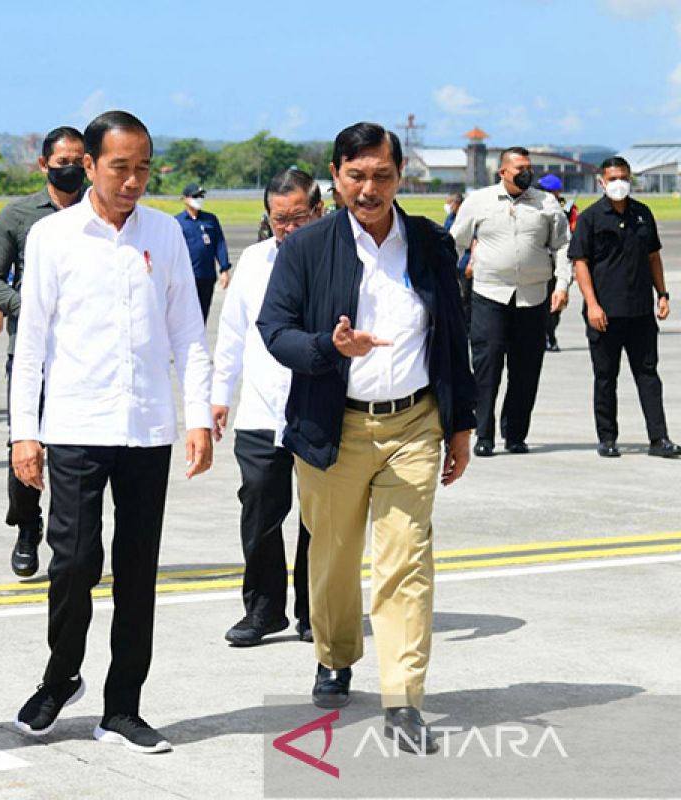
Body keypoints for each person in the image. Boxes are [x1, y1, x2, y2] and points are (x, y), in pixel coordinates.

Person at [257, 122, 475, 754]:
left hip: (414, 425)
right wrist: (329, 346)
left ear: (400, 175)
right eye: (356, 175)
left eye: (382, 175)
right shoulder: (307, 248)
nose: (369, 188)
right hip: (334, 426)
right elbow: (275, 329)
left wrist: (461, 425)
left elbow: (453, 336)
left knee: (405, 563)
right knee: (331, 556)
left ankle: (403, 699)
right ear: (336, 175)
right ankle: (335, 652)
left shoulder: (430, 243)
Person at [10, 110, 214, 754]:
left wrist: (198, 417)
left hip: (148, 427)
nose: (132, 180)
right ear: (89, 166)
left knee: (137, 569)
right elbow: (34, 342)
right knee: (72, 562)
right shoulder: (54, 237)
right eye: (119, 167)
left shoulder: (166, 234)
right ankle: (60, 676)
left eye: (143, 168)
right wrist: (24, 432)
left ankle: (122, 706)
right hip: (73, 423)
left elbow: (188, 332)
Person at [212, 169, 322, 647]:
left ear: (318, 211)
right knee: (259, 508)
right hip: (260, 408)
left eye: (298, 217)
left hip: (319, 406)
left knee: (320, 516)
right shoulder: (254, 262)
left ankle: (315, 611)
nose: (288, 228)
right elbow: (233, 333)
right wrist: (220, 395)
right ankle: (263, 609)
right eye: (280, 219)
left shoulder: (341, 259)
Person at [0, 126, 86, 578]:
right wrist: (31, 308)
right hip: (32, 352)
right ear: (44, 165)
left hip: (84, 354)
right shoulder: (19, 216)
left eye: (81, 162)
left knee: (77, 450)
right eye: (63, 162)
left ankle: (73, 536)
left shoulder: (100, 214)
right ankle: (26, 526)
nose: (72, 170)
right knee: (23, 443)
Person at [450, 147, 571, 457]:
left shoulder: (546, 203)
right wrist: (447, 282)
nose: (525, 172)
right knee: (487, 366)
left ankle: (516, 434)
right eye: (519, 167)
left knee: (526, 369)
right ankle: (484, 434)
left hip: (533, 297)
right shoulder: (480, 201)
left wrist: (562, 285)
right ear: (502, 172)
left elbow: (561, 247)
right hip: (490, 294)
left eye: (528, 167)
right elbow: (455, 241)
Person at [569, 157, 680, 459]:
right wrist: (592, 304)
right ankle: (607, 438)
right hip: (604, 313)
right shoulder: (591, 218)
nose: (619, 183)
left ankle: (659, 438)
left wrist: (663, 294)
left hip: (640, 312)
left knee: (648, 375)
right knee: (606, 377)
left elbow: (653, 256)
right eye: (613, 178)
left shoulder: (642, 215)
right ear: (601, 182)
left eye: (624, 177)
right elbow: (580, 263)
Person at [176, 182, 231, 322]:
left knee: (202, 312)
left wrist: (224, 269)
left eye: (201, 196)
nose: (199, 199)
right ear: (186, 199)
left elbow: (219, 243)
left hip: (206, 275)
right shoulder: (177, 222)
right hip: (186, 276)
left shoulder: (210, 220)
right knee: (184, 315)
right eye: (195, 196)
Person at [537, 173, 575, 352]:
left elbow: (573, 235)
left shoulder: (568, 210)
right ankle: (544, 335)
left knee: (555, 303)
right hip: (538, 263)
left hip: (557, 264)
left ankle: (549, 334)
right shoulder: (534, 206)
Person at [443, 192, 473, 333]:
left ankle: (467, 325)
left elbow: (473, 242)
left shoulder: (467, 219)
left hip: (465, 262)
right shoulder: (450, 218)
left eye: (451, 203)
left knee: (466, 297)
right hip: (452, 261)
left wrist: (471, 263)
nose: (448, 206)